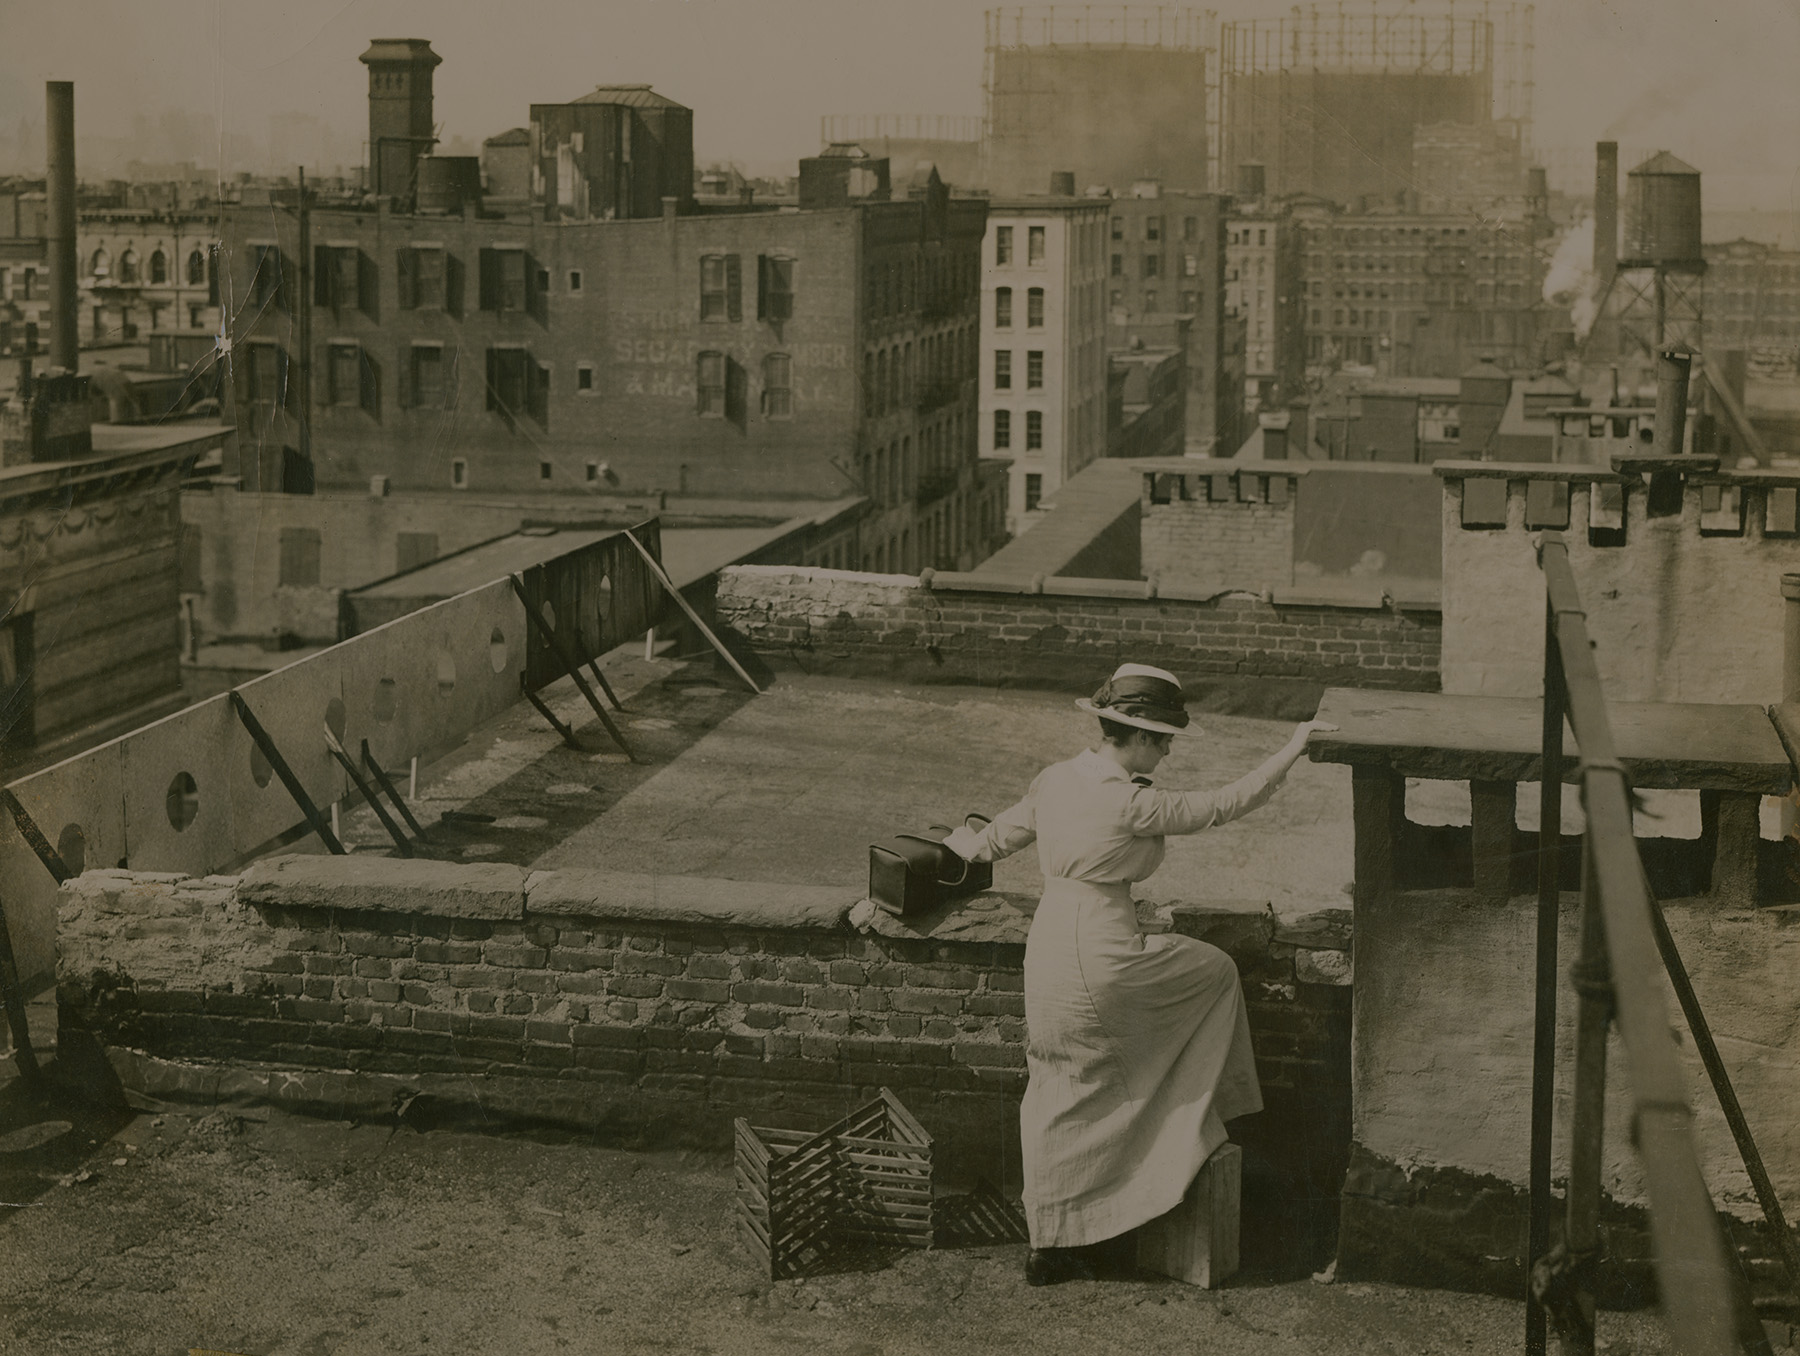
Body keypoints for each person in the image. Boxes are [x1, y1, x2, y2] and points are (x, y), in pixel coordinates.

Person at [942, 663, 1337, 1286]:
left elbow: (992, 840)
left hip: (1049, 946)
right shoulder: (1130, 800)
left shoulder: (1056, 779)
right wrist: (1292, 747)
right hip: (1102, 948)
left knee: (1060, 1080)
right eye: (1165, 739)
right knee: (1216, 972)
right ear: (1142, 736)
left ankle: (1051, 1241)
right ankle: (1204, 1121)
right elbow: (1225, 805)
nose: (1170, 750)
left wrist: (947, 851)